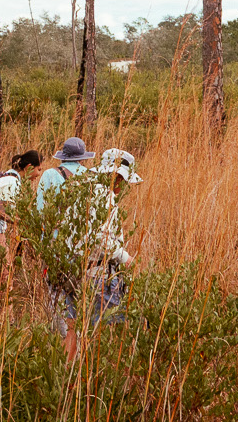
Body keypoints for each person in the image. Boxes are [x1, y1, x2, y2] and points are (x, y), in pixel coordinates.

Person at [44, 146, 141, 358]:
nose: (124, 187)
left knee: (72, 328)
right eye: (123, 181)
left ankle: (68, 373)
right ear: (116, 177)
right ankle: (98, 373)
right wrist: (126, 258)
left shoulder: (80, 189)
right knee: (108, 331)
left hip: (69, 270)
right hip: (94, 273)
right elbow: (98, 239)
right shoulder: (105, 196)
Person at [0, 149, 45, 237]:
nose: (39, 174)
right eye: (39, 169)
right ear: (29, 167)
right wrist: (24, 223)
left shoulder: (9, 175)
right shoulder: (11, 181)